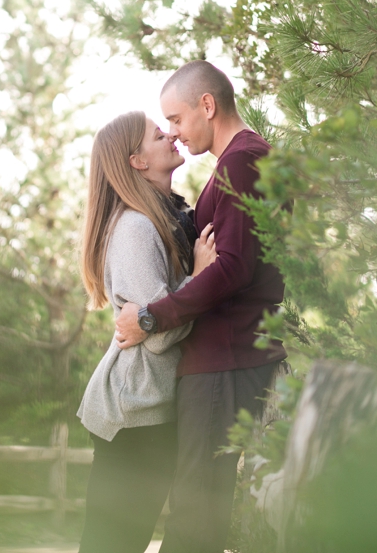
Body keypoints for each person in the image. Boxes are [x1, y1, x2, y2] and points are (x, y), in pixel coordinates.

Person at [114, 61, 288, 553]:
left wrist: (151, 316)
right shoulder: (237, 163)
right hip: (219, 361)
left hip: (226, 360)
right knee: (199, 510)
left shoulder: (244, 161)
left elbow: (233, 268)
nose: (172, 132)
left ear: (207, 106)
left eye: (175, 118)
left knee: (196, 514)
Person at [76, 110, 217, 553]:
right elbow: (156, 335)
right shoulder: (135, 228)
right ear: (137, 161)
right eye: (159, 135)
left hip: (150, 412)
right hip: (134, 414)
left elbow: (153, 317)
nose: (171, 135)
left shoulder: (166, 217)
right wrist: (199, 276)